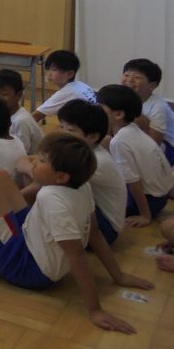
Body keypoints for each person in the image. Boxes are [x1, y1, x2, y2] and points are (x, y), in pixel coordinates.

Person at [0, 132, 153, 333]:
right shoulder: (81, 186)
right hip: (30, 240)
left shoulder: (50, 198)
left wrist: (95, 310)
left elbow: (77, 256)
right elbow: (94, 233)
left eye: (41, 161)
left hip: (26, 267)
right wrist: (118, 275)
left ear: (61, 176)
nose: (34, 162)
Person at [97, 84, 174, 227]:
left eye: (100, 109)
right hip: (161, 195)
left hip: (151, 201)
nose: (96, 112)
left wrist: (145, 215)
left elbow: (133, 182)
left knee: (98, 198)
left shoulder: (119, 141)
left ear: (118, 114)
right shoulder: (132, 129)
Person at [54, 99, 127, 245]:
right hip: (98, 218)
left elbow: (50, 178)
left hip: (106, 229)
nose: (62, 134)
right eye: (61, 126)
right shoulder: (81, 151)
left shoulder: (96, 162)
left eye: (70, 130)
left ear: (93, 136)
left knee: (51, 191)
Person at [122, 58, 174, 167]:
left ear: (152, 85)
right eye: (126, 75)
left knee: (137, 117)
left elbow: (155, 143)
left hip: (166, 151)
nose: (129, 80)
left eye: (137, 77)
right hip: (138, 140)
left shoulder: (159, 107)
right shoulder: (123, 97)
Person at [33, 50, 96, 123]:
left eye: (54, 70)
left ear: (70, 74)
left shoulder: (67, 93)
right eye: (48, 69)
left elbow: (35, 116)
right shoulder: (81, 85)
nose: (49, 74)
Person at [0, 69, 43, 157]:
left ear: (19, 95)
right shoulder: (2, 114)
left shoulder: (21, 121)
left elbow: (21, 155)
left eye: (4, 94)